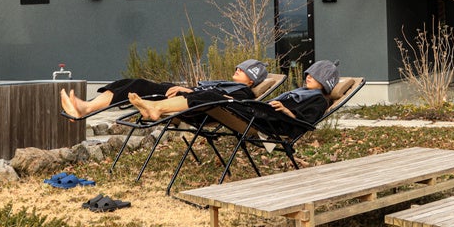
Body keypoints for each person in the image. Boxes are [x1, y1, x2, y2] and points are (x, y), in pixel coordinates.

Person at [129, 59, 340, 137]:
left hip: (270, 123)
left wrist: (286, 111)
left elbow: (307, 123)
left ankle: (157, 108)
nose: (308, 77)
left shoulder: (319, 100)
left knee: (213, 96)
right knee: (210, 96)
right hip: (261, 114)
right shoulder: (304, 93)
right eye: (309, 74)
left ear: (326, 83)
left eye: (315, 76)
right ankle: (155, 107)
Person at [59, 59, 268, 120]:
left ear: (252, 81)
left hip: (199, 109)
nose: (238, 69)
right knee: (137, 83)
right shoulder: (227, 83)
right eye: (239, 66)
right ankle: (86, 108)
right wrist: (185, 89)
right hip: (185, 97)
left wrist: (191, 92)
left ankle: (155, 108)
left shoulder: (244, 93)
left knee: (209, 95)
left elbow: (221, 101)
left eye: (244, 70)